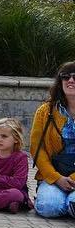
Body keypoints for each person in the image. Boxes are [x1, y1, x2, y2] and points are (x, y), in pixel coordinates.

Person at [30, 62, 75, 219]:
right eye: (66, 77)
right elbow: (37, 148)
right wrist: (56, 178)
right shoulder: (45, 111)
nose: (70, 80)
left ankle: (69, 203)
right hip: (53, 174)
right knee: (49, 207)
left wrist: (72, 179)